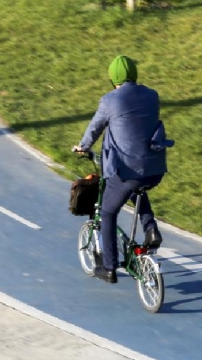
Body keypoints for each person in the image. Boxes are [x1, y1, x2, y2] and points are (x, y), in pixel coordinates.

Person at [73, 55, 173, 284]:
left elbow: (96, 126)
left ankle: (108, 267)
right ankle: (151, 230)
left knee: (108, 212)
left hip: (127, 169)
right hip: (154, 168)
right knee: (138, 187)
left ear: (112, 77)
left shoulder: (110, 100)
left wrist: (83, 146)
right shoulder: (152, 95)